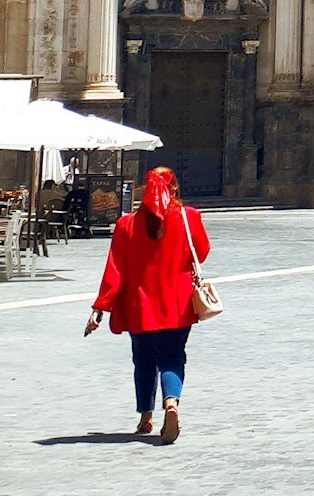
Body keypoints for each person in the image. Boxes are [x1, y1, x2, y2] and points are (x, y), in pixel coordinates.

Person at [86, 167, 211, 443]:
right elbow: (201, 252)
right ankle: (171, 403)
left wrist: (100, 307)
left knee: (143, 359)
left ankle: (145, 417)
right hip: (178, 304)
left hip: (139, 306)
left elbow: (115, 270)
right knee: (172, 356)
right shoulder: (189, 218)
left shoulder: (125, 224)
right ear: (175, 188)